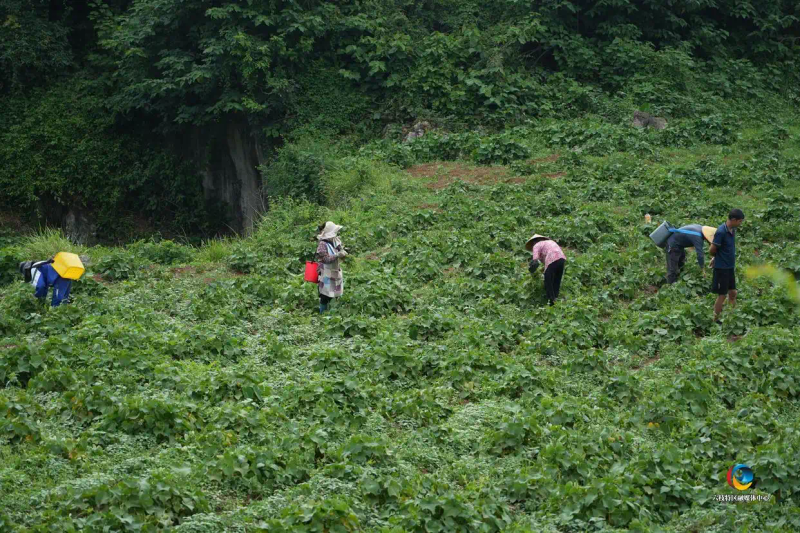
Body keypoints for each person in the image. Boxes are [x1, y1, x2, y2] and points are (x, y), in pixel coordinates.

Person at [709, 209, 745, 323]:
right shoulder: (721, 232)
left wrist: (716, 257)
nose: (740, 223)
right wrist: (715, 257)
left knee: (733, 293)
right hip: (722, 268)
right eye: (739, 221)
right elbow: (712, 249)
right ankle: (715, 319)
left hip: (729, 267)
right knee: (722, 295)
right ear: (733, 220)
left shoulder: (732, 230)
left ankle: (732, 316)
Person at [525, 234, 566, 306]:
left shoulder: (536, 245)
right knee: (556, 280)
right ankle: (556, 299)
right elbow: (549, 262)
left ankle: (551, 302)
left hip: (552, 258)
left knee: (548, 281)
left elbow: (535, 261)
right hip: (561, 259)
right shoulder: (549, 242)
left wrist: (531, 270)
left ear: (534, 242)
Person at [316, 221, 347, 313]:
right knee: (325, 294)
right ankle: (322, 314)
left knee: (335, 293)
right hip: (325, 273)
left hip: (335, 271)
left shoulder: (334, 240)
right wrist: (337, 255)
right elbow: (326, 259)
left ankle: (333, 313)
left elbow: (339, 250)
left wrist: (343, 252)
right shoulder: (322, 244)